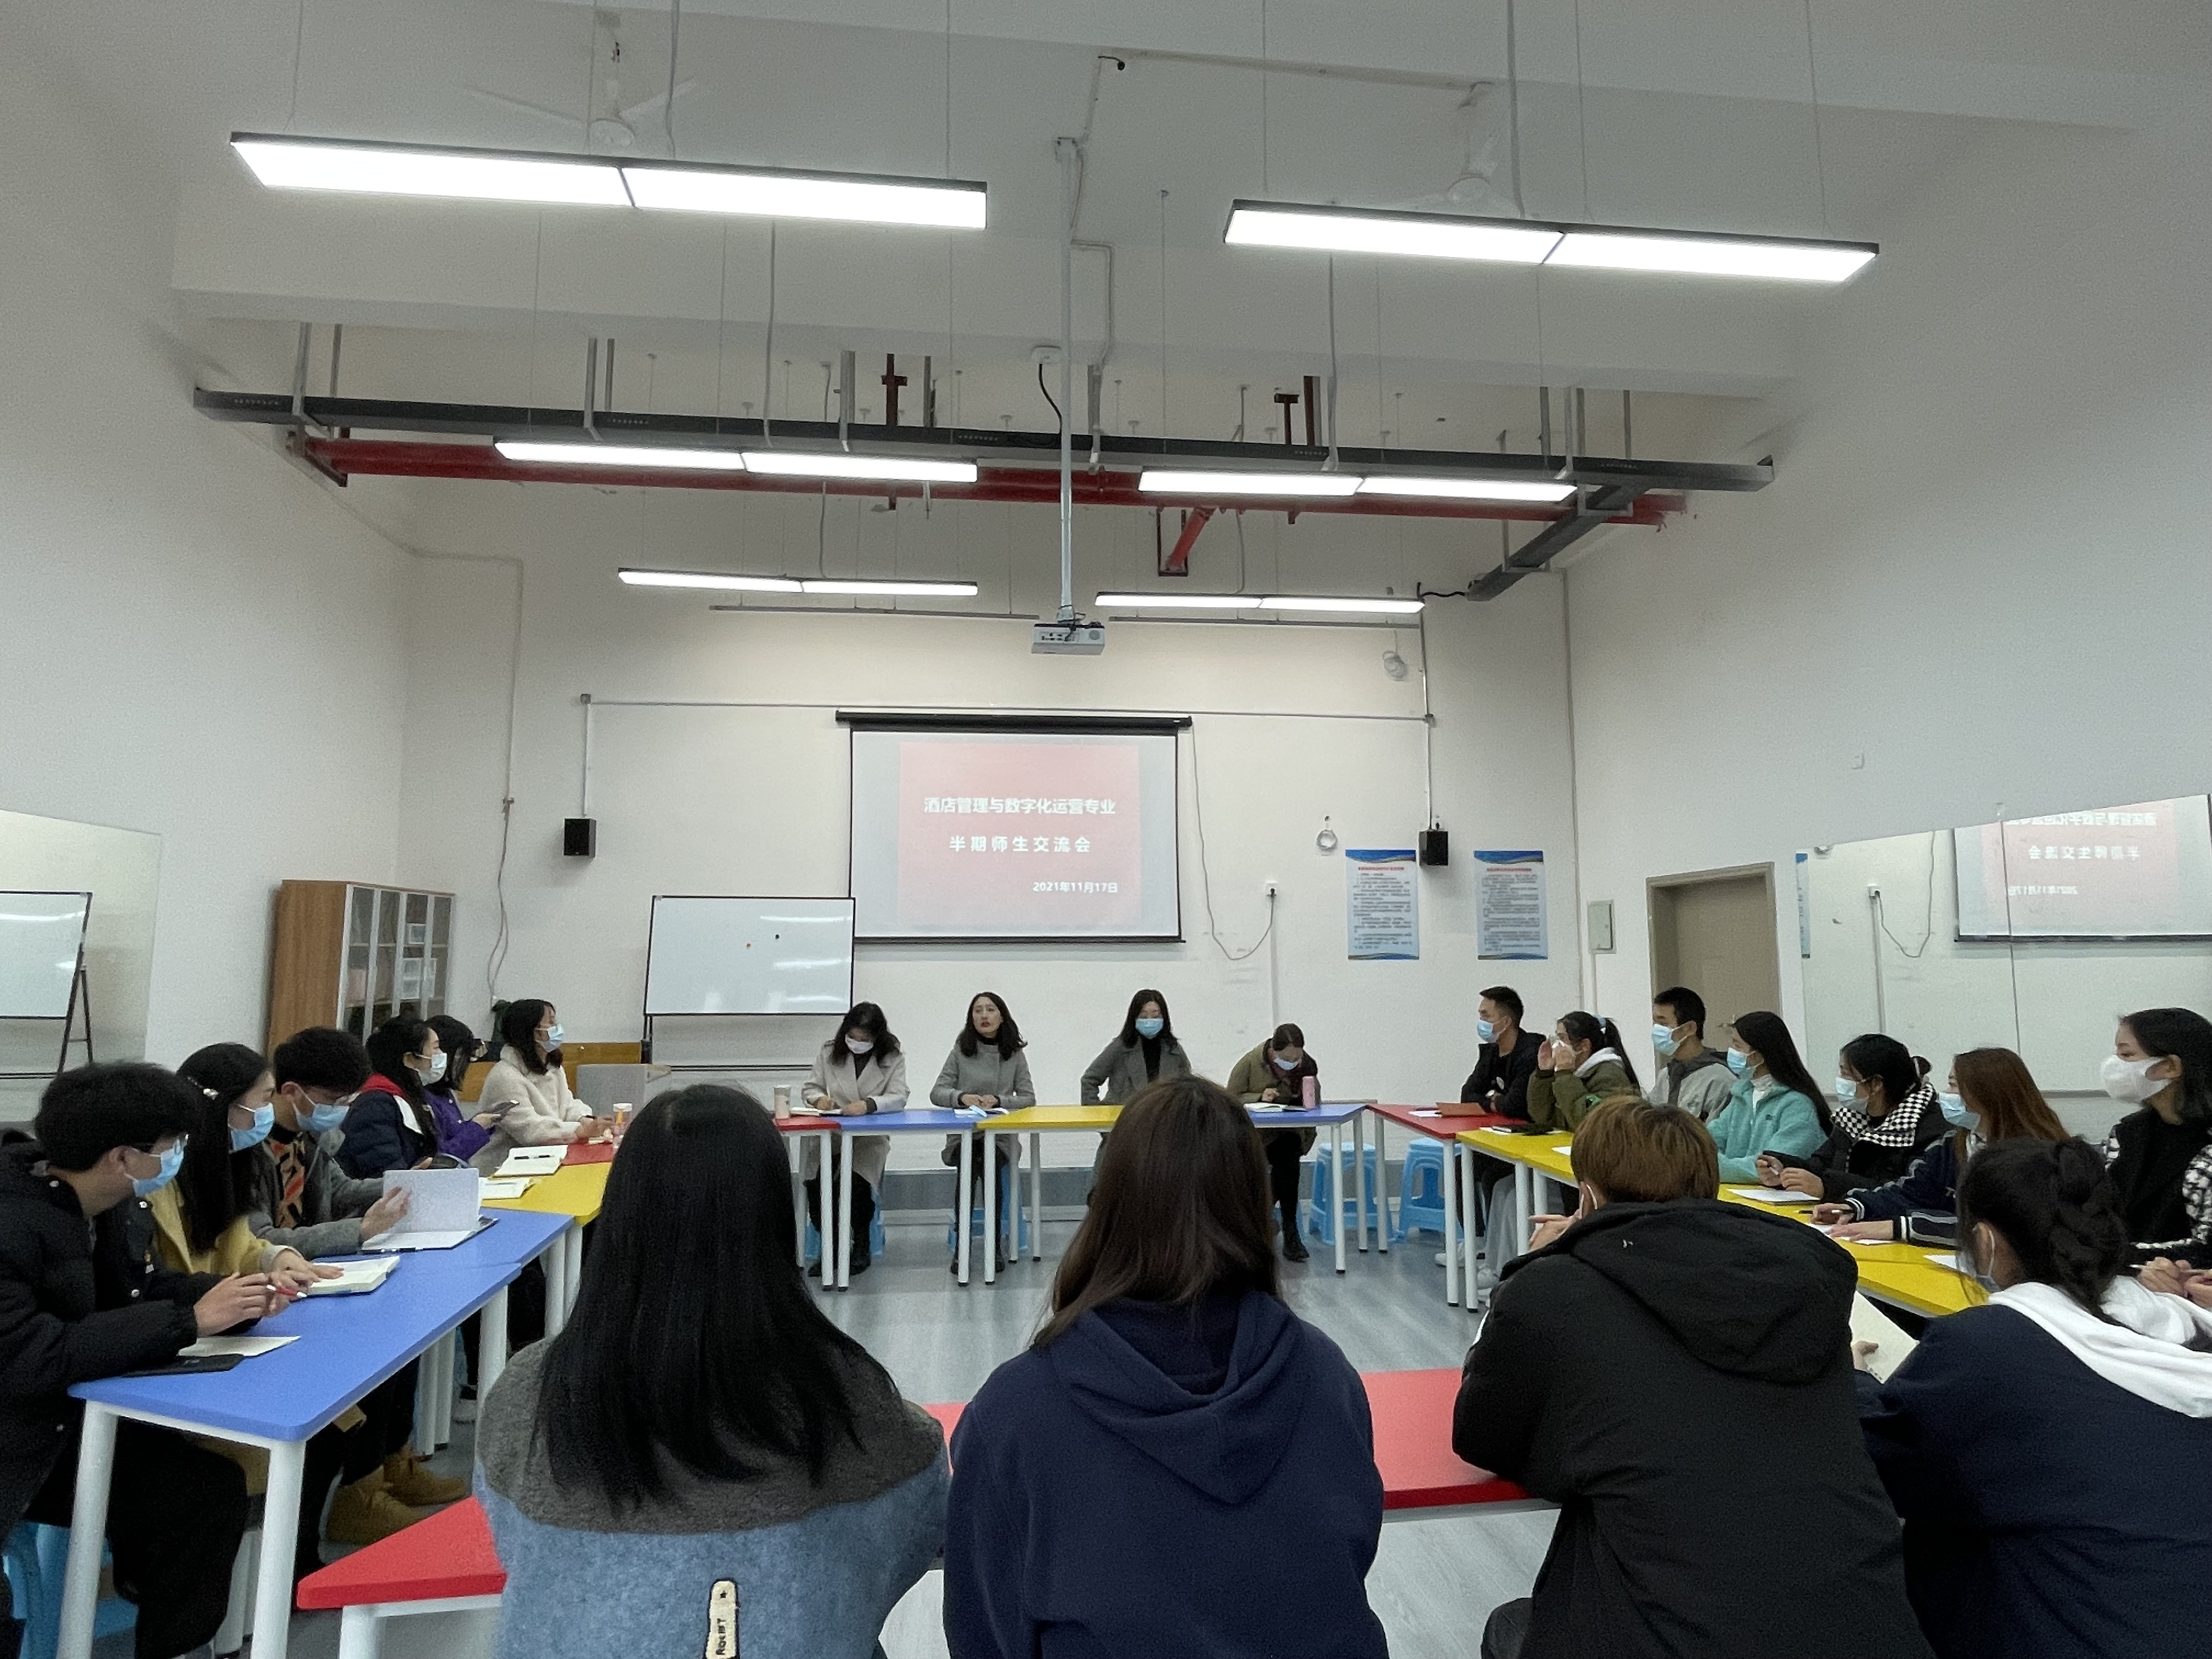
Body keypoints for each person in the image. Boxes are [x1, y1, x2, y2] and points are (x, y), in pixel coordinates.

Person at [478, 1086, 946, 1659]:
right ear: (774, 1215)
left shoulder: (530, 1390)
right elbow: (913, 1521)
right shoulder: (840, 1392)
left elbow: (513, 1539)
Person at [1454, 1097, 1929, 1659]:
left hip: (1673, 1633)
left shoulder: (1555, 1289)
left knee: (1514, 1625)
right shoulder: (1802, 1283)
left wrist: (1533, 1269)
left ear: (1587, 1195)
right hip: (1866, 1628)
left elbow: (1483, 1436)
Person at [943, 1077, 1386, 1659]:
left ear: (1107, 1201)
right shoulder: (1326, 1374)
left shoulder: (1015, 1413)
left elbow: (984, 1632)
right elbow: (1348, 1561)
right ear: (1257, 1204)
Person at [1856, 1138, 2212, 1658]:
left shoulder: (1989, 1346)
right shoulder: (2188, 1329)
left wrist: (1855, 1378)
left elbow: (1881, 1461)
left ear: (1984, 1241)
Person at [0, 1063, 284, 1659]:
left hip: (70, 1421)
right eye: (170, 1145)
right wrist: (188, 1322)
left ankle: (172, 1645)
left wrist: (231, 1298)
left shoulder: (115, 1207)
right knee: (190, 1493)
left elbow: (135, 1293)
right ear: (123, 1158)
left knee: (209, 1489)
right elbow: (30, 1355)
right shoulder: (12, 1223)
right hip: (22, 1442)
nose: (179, 1156)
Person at [173, 1046, 467, 1559]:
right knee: (348, 1381)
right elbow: (256, 1237)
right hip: (239, 1313)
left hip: (277, 1292)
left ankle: (380, 1473)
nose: (343, 1110)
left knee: (397, 1342)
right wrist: (355, 1233)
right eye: (262, 1098)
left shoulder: (305, 1141)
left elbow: (302, 1215)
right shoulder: (237, 1156)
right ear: (289, 1093)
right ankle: (340, 1511)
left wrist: (407, 1187)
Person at [1814, 1047, 2068, 1244]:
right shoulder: (1954, 1144)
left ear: (1987, 1095)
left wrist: (1901, 1228)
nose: (1945, 1093)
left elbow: (1996, 1231)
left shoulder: (2037, 1156)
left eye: (1954, 1085)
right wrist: (1857, 1207)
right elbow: (1911, 1192)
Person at [1758, 1032, 1942, 1201]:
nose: (1840, 1080)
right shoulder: (1852, 1117)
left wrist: (1826, 1187)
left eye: (1846, 1074)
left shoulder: (1925, 1129)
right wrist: (1785, 1169)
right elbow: (1821, 1163)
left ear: (1876, 1084)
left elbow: (1901, 1191)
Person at [800, 1002, 908, 1277]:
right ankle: (831, 1248)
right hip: (831, 1133)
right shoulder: (829, 1052)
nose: (857, 1043)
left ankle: (861, 1245)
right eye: (853, 1037)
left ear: (877, 1038)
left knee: (856, 1186)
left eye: (864, 1039)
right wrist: (820, 1100)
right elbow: (811, 1088)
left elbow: (899, 1096)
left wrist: (869, 1104)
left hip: (869, 1136)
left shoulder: (892, 1057)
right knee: (817, 1186)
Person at [2098, 1007, 2212, 1266]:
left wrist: (2124, 1258)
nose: (2115, 1065)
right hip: (2124, 1275)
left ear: (2171, 1066)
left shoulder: (2206, 1150)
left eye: (2127, 1055)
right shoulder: (2127, 1133)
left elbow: (2206, 1248)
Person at [932, 993, 1036, 1275]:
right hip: (964, 1135)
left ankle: (995, 1245)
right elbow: (937, 1092)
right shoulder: (960, 1051)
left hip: (999, 1137)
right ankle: (961, 1247)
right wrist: (962, 1097)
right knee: (971, 1161)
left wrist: (999, 1100)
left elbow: (1028, 1098)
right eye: (978, 1011)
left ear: (1002, 1016)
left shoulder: (1014, 1054)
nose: (984, 1016)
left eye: (990, 1010)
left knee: (988, 1162)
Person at [471, 1000, 610, 1171]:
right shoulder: (505, 1076)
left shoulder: (553, 1068)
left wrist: (585, 1119)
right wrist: (579, 1130)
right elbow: (530, 1129)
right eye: (550, 1022)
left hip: (544, 1159)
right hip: (502, 1168)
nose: (557, 1027)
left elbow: (567, 1104)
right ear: (530, 1031)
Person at [1225, 1023, 1319, 1262]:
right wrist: (1259, 1097)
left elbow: (1315, 1104)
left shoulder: (1307, 1066)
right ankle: (1267, 1221)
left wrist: (1308, 1093)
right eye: (1287, 1059)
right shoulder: (1250, 1063)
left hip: (1288, 1136)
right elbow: (1230, 1099)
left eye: (1297, 1058)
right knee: (1282, 1165)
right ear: (1273, 1052)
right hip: (1253, 1139)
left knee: (1288, 1156)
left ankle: (1288, 1229)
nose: (1293, 1063)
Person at [1703, 1010, 1830, 1184]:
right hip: (1735, 1193)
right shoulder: (1743, 1095)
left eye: (1737, 1046)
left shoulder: (1797, 1106)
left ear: (1758, 1056)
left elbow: (1770, 1168)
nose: (1731, 1052)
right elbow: (1708, 1142)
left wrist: (1709, 1167)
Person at [336, 1014, 447, 1177]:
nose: (442, 1055)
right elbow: (384, 1172)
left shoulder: (409, 1097)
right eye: (436, 1048)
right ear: (409, 1058)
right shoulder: (374, 1105)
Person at [1523, 1012, 1640, 1132]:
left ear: (1584, 1046)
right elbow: (1543, 1117)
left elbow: (1589, 1123)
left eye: (1562, 1038)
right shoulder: (1572, 1074)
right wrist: (1544, 1074)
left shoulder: (1609, 1076)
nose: (1556, 1046)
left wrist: (1565, 1076)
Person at [1081, 990, 1192, 1104]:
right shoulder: (1120, 1048)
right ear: (1134, 1018)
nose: (1149, 1021)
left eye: (1155, 1016)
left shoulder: (1174, 1051)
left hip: (1163, 1114)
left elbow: (1189, 1088)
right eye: (1143, 1016)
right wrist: (1095, 1111)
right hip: (1125, 1114)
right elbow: (1089, 1080)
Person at [1646, 986, 1733, 1121]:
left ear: (1690, 1028)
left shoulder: (1719, 1079)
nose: (1657, 1030)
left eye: (1663, 1024)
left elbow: (1718, 1131)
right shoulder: (1666, 1075)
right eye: (1655, 1023)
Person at [424, 1013, 495, 1163]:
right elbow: (441, 1159)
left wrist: (486, 1124)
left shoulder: (444, 1093)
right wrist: (477, 1128)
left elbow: (455, 1134)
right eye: (462, 1057)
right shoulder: (424, 1099)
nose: (465, 1065)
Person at [1459, 986, 1540, 1118]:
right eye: (1480, 1016)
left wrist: (1490, 1099)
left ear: (1506, 1022)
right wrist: (1494, 1100)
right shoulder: (1491, 1052)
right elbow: (1467, 1095)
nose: (1481, 1022)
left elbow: (1515, 1105)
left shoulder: (1531, 1053)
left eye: (1486, 1016)